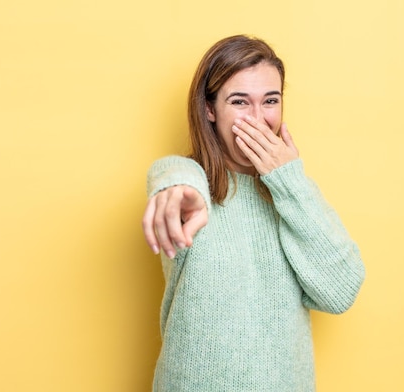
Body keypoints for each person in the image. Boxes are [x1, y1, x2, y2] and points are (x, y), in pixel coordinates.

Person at [142, 34, 365, 391]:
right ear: (210, 110)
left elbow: (340, 292)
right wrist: (177, 192)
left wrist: (288, 180)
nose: (258, 120)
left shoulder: (296, 198)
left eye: (270, 101)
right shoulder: (190, 182)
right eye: (240, 102)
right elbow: (173, 175)